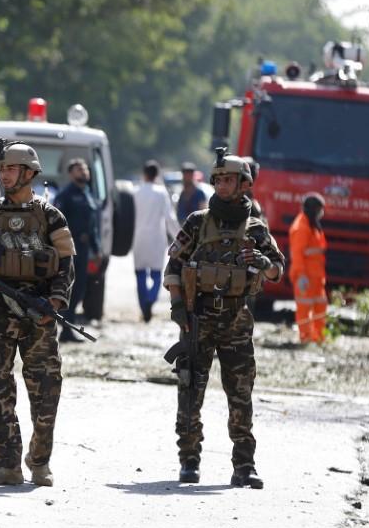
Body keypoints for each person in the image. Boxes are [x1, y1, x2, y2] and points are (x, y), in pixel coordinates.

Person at [0, 140, 75, 487]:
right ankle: (6, 463)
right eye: (1, 169)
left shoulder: (50, 216)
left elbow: (66, 265)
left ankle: (39, 462)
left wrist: (55, 304)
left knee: (46, 388)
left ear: (29, 173)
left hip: (39, 314)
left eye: (10, 169)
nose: (4, 175)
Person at [164, 151, 285, 489]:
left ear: (244, 184)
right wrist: (178, 307)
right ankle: (189, 460)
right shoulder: (197, 223)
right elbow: (173, 266)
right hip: (198, 318)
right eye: (217, 179)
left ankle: (244, 465)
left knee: (241, 394)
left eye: (228, 179)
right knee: (190, 390)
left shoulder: (256, 228)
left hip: (237, 320)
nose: (221, 185)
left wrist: (262, 262)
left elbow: (278, 270)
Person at [53, 158, 100, 342]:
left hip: (84, 248)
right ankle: (64, 328)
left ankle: (68, 327)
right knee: (68, 289)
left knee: (80, 289)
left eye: (85, 169)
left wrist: (96, 249)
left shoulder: (88, 193)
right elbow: (57, 224)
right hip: (70, 249)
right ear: (71, 173)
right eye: (79, 169)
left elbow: (93, 225)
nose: (84, 172)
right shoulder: (65, 195)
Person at [132, 159, 180, 322]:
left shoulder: (135, 192)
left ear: (144, 174)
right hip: (156, 239)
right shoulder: (161, 192)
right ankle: (150, 301)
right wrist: (180, 237)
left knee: (140, 274)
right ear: (157, 175)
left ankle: (143, 306)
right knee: (156, 275)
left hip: (138, 238)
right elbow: (170, 218)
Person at [289, 193, 327, 344]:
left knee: (320, 307)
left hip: (316, 276)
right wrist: (301, 275)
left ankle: (319, 339)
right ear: (314, 210)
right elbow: (297, 254)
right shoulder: (301, 227)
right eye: (320, 209)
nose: (322, 213)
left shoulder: (312, 225)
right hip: (305, 276)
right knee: (304, 309)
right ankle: (305, 339)